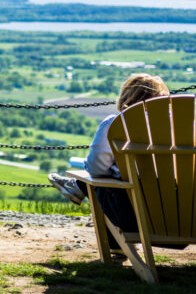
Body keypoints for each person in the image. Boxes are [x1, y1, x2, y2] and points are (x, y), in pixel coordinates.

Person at [48, 73, 170, 243]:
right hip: (189, 217)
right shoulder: (187, 128)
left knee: (99, 180)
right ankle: (77, 186)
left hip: (134, 219)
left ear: (127, 97)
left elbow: (96, 169)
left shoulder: (115, 124)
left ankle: (78, 187)